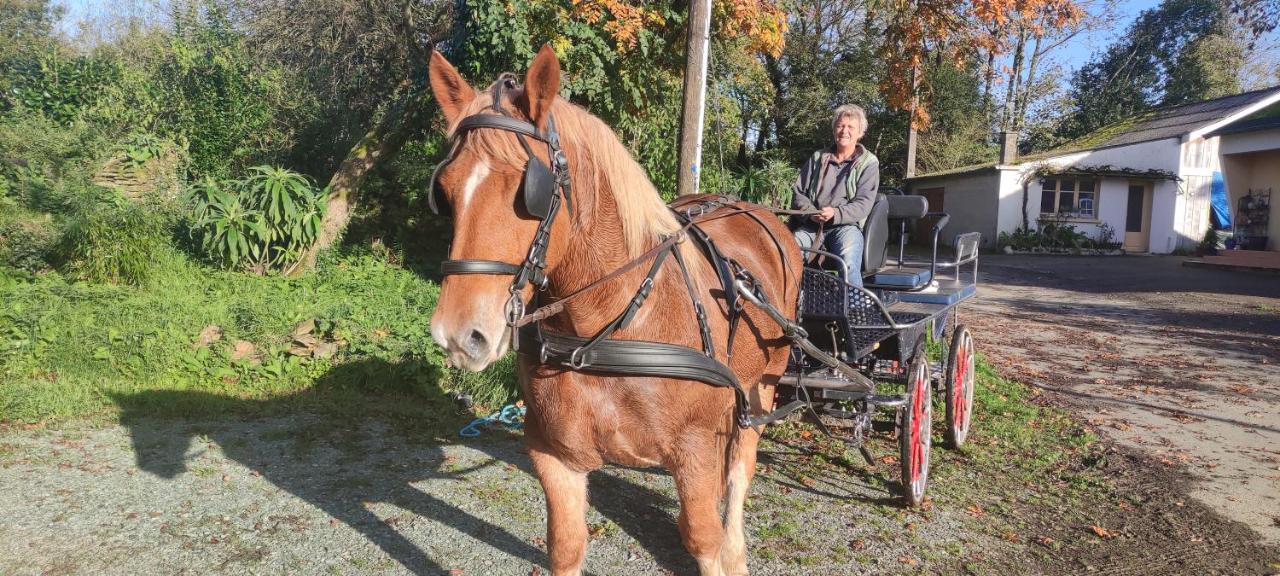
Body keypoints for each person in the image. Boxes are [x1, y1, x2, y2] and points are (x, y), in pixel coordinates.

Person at [790, 104, 880, 288]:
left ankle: (856, 312)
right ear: (834, 129)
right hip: (812, 225)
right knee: (787, 252)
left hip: (846, 227)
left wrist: (836, 214)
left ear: (860, 133)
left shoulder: (869, 163)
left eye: (850, 127)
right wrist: (810, 212)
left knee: (848, 263)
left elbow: (864, 203)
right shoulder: (817, 157)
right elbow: (798, 193)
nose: (844, 131)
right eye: (840, 126)